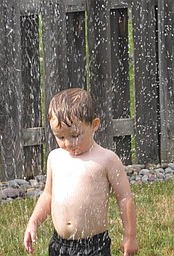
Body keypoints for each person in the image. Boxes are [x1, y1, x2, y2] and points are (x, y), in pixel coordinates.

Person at [24, 88, 138, 256]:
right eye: (60, 137)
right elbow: (47, 196)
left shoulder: (106, 159)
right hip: (59, 244)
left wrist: (130, 235)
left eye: (75, 135)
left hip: (94, 245)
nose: (68, 143)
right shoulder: (55, 158)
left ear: (94, 125)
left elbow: (124, 198)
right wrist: (33, 222)